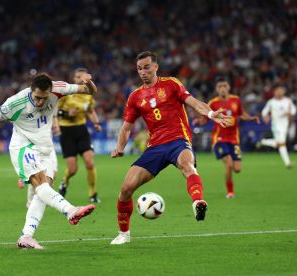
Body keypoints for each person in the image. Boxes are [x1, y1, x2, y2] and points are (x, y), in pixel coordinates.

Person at [0, 73, 97, 249]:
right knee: (40, 185)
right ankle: (70, 210)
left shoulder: (59, 89)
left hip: (46, 148)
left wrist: (88, 82)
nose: (41, 102)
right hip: (23, 146)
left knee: (43, 193)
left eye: (45, 98)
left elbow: (89, 92)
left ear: (51, 91)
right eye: (37, 97)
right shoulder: (16, 102)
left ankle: (26, 237)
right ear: (31, 90)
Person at [110, 51, 232, 245]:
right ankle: (123, 234)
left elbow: (193, 102)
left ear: (156, 67)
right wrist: (120, 147)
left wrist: (210, 114)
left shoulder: (171, 84)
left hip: (178, 140)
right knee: (126, 189)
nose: (143, 72)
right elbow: (126, 127)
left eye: (147, 67)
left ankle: (197, 202)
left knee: (187, 165)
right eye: (139, 68)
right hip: (155, 147)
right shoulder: (135, 97)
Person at [193, 77, 260, 198]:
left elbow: (241, 114)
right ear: (216, 89)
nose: (222, 89)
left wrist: (250, 118)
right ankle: (230, 191)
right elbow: (205, 118)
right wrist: (199, 122)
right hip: (219, 139)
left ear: (229, 87)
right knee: (229, 164)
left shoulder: (236, 100)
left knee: (237, 169)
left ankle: (230, 187)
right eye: (220, 86)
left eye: (224, 86)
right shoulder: (213, 103)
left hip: (234, 139)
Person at [57, 68, 102, 203]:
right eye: (77, 77)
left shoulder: (88, 95)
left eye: (82, 77)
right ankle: (64, 182)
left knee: (89, 162)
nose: (79, 79)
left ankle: (92, 193)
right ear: (73, 79)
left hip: (81, 130)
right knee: (72, 169)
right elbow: (54, 112)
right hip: (66, 131)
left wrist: (96, 123)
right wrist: (66, 114)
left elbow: (90, 111)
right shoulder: (66, 94)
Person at [258, 85, 297, 168]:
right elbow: (264, 111)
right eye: (277, 90)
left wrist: (290, 113)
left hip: (285, 125)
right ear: (274, 92)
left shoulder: (288, 101)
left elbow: (294, 110)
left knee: (278, 144)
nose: (279, 92)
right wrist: (265, 116)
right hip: (276, 126)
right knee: (282, 143)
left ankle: (264, 142)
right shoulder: (271, 102)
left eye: (281, 90)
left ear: (284, 91)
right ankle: (288, 163)